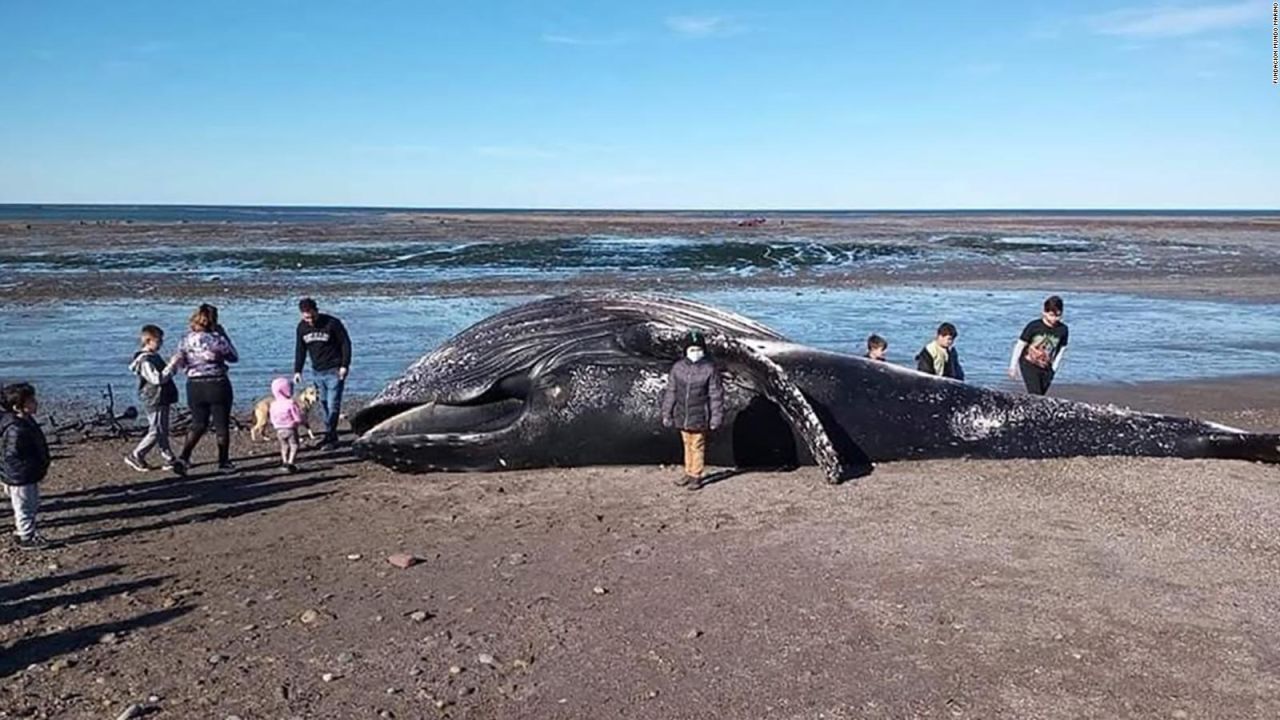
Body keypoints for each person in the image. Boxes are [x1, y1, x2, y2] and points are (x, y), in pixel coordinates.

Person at [173, 304, 239, 472]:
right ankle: (223, 462)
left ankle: (184, 457)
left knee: (198, 423)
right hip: (217, 383)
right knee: (221, 424)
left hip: (194, 385)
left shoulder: (185, 339)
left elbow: (180, 362)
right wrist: (223, 335)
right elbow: (233, 357)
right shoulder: (217, 338)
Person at [660, 331, 725, 491]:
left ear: (703, 350)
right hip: (683, 414)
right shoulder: (678, 368)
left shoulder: (709, 369)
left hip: (700, 416)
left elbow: (716, 395)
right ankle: (688, 472)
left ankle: (696, 475)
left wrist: (716, 417)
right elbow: (671, 392)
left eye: (698, 349)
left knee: (697, 445)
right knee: (687, 444)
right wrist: (666, 413)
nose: (695, 352)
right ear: (685, 351)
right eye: (692, 349)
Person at [125, 325, 185, 475]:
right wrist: (171, 365)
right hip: (154, 398)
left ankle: (168, 457)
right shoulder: (145, 360)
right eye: (159, 341)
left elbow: (165, 375)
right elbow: (157, 379)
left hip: (161, 397)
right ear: (148, 340)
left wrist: (174, 366)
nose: (161, 343)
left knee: (162, 429)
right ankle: (136, 455)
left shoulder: (154, 357)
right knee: (156, 429)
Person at [293, 298, 352, 451]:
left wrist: (344, 366)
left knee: (333, 405)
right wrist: (297, 370)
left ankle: (330, 437)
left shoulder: (332, 323)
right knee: (324, 403)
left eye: (312, 316)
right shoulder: (302, 328)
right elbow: (300, 349)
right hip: (317, 371)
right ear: (302, 315)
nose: (310, 320)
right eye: (306, 317)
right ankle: (330, 434)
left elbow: (345, 344)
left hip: (334, 370)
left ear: (316, 311)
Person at [1, 383, 51, 549]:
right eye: (31, 400)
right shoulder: (16, 428)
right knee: (25, 507)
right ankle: (26, 536)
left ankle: (23, 531)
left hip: (25, 473)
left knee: (31, 503)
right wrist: (27, 468)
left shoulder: (25, 421)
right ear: (18, 407)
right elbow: (11, 455)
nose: (36, 402)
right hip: (20, 476)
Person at [1008, 295, 1069, 395]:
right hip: (1028, 363)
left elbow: (1061, 350)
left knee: (1041, 395)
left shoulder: (1063, 329)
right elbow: (1020, 345)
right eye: (1051, 315)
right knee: (1035, 394)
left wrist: (1053, 369)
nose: (1054, 319)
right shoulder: (1034, 326)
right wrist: (1013, 366)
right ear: (1044, 312)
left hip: (1046, 367)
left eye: (1058, 316)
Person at [269, 377, 303, 473]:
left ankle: (284, 461)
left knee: (284, 446)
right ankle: (290, 463)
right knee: (294, 445)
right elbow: (297, 417)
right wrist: (298, 422)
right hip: (290, 428)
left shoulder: (273, 404)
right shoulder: (290, 403)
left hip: (279, 429)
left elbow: (272, 417)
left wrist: (276, 424)